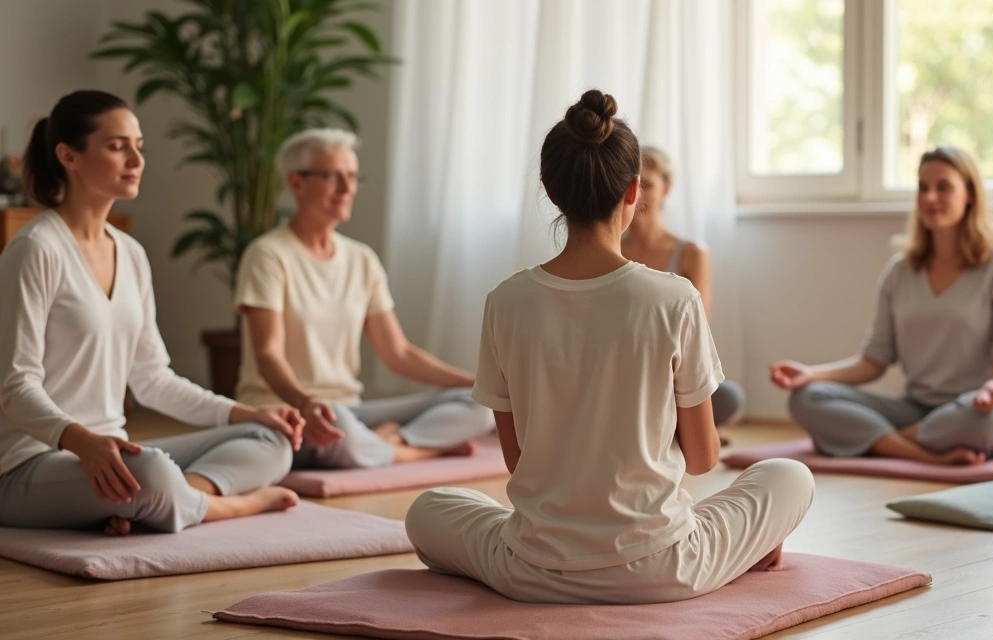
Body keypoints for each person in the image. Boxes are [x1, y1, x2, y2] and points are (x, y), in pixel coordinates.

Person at [404, 90, 814, 605]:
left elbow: (516, 458)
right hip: (664, 567)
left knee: (428, 509)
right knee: (790, 475)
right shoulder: (674, 297)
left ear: (550, 191)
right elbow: (705, 459)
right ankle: (738, 550)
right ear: (634, 191)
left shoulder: (505, 301)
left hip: (531, 566)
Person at [0, 90, 303, 535]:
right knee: (153, 474)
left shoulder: (132, 253)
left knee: (270, 440)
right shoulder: (34, 249)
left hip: (115, 457)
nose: (136, 158)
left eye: (138, 146)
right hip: (28, 466)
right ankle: (226, 505)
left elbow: (152, 379)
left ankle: (165, 502)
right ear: (69, 155)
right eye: (116, 145)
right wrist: (83, 442)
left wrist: (247, 413)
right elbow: (14, 386)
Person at [235, 128, 493, 470]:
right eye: (333, 176)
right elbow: (268, 354)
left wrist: (481, 385)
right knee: (338, 423)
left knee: (481, 406)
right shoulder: (267, 255)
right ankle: (415, 449)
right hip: (292, 412)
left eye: (352, 176)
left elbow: (399, 354)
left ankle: (385, 443)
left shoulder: (361, 259)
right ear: (296, 183)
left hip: (351, 411)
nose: (347, 188)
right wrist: (307, 403)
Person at [771, 146, 993, 465]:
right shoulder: (900, 271)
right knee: (806, 399)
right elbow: (873, 361)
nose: (930, 197)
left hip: (977, 410)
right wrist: (811, 374)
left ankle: (881, 440)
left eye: (943, 187)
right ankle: (917, 451)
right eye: (923, 188)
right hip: (916, 408)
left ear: (970, 195)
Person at [621, 146, 746, 432]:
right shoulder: (609, 249)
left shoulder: (692, 252)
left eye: (647, 184)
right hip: (620, 369)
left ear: (667, 188)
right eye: (630, 184)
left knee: (728, 397)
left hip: (668, 372)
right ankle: (672, 431)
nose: (637, 193)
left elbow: (698, 329)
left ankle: (662, 427)